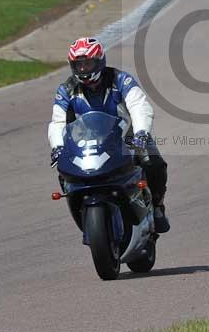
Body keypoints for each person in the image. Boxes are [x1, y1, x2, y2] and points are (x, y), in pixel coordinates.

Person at [48, 37, 170, 233]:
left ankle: (156, 206)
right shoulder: (66, 90)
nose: (84, 70)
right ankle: (82, 214)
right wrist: (57, 147)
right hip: (85, 141)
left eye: (88, 64)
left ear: (100, 61)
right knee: (64, 173)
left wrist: (141, 132)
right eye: (78, 65)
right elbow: (58, 121)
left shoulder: (121, 79)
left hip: (126, 136)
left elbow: (139, 106)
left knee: (152, 162)